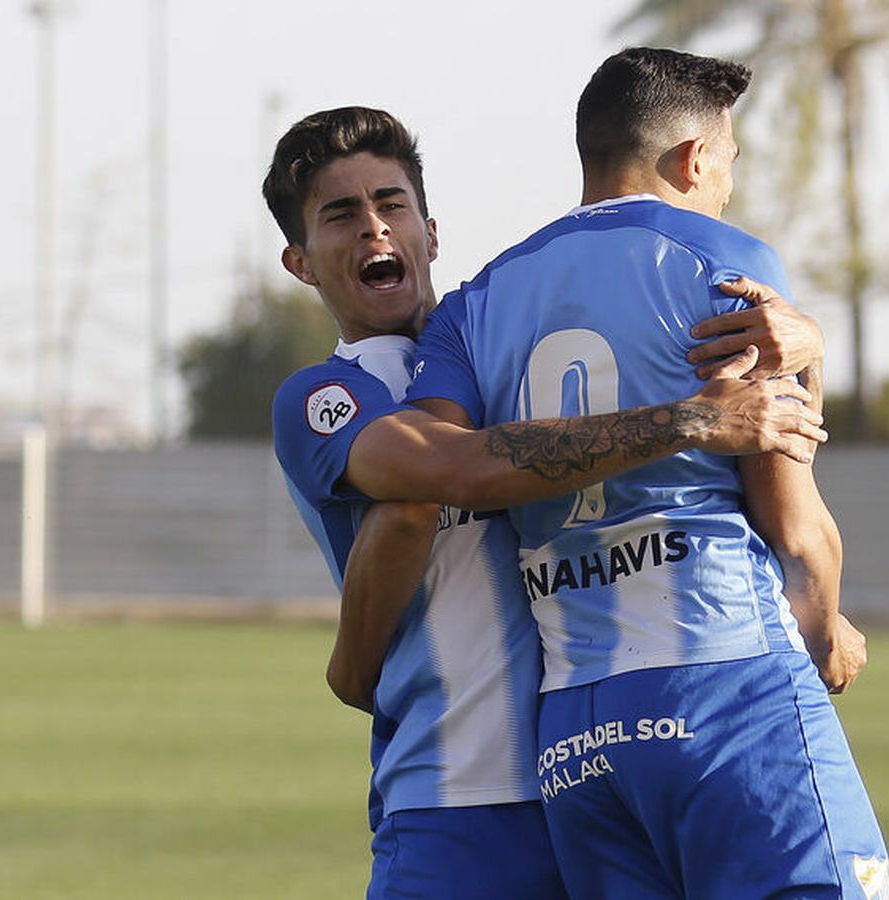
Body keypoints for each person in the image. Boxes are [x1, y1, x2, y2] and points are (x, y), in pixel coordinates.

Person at [262, 106, 830, 898]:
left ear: (430, 230)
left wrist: (802, 336)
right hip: (452, 797)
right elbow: (442, 479)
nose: (373, 230)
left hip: (589, 778)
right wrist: (694, 419)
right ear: (301, 261)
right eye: (341, 214)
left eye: (390, 205)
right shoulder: (325, 395)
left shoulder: (499, 349)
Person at [407, 48, 889, 899]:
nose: (728, 188)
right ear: (694, 159)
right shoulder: (722, 261)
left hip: (574, 730)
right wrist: (823, 629)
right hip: (727, 684)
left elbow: (444, 464)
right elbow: (793, 521)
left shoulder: (476, 302)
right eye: (730, 164)